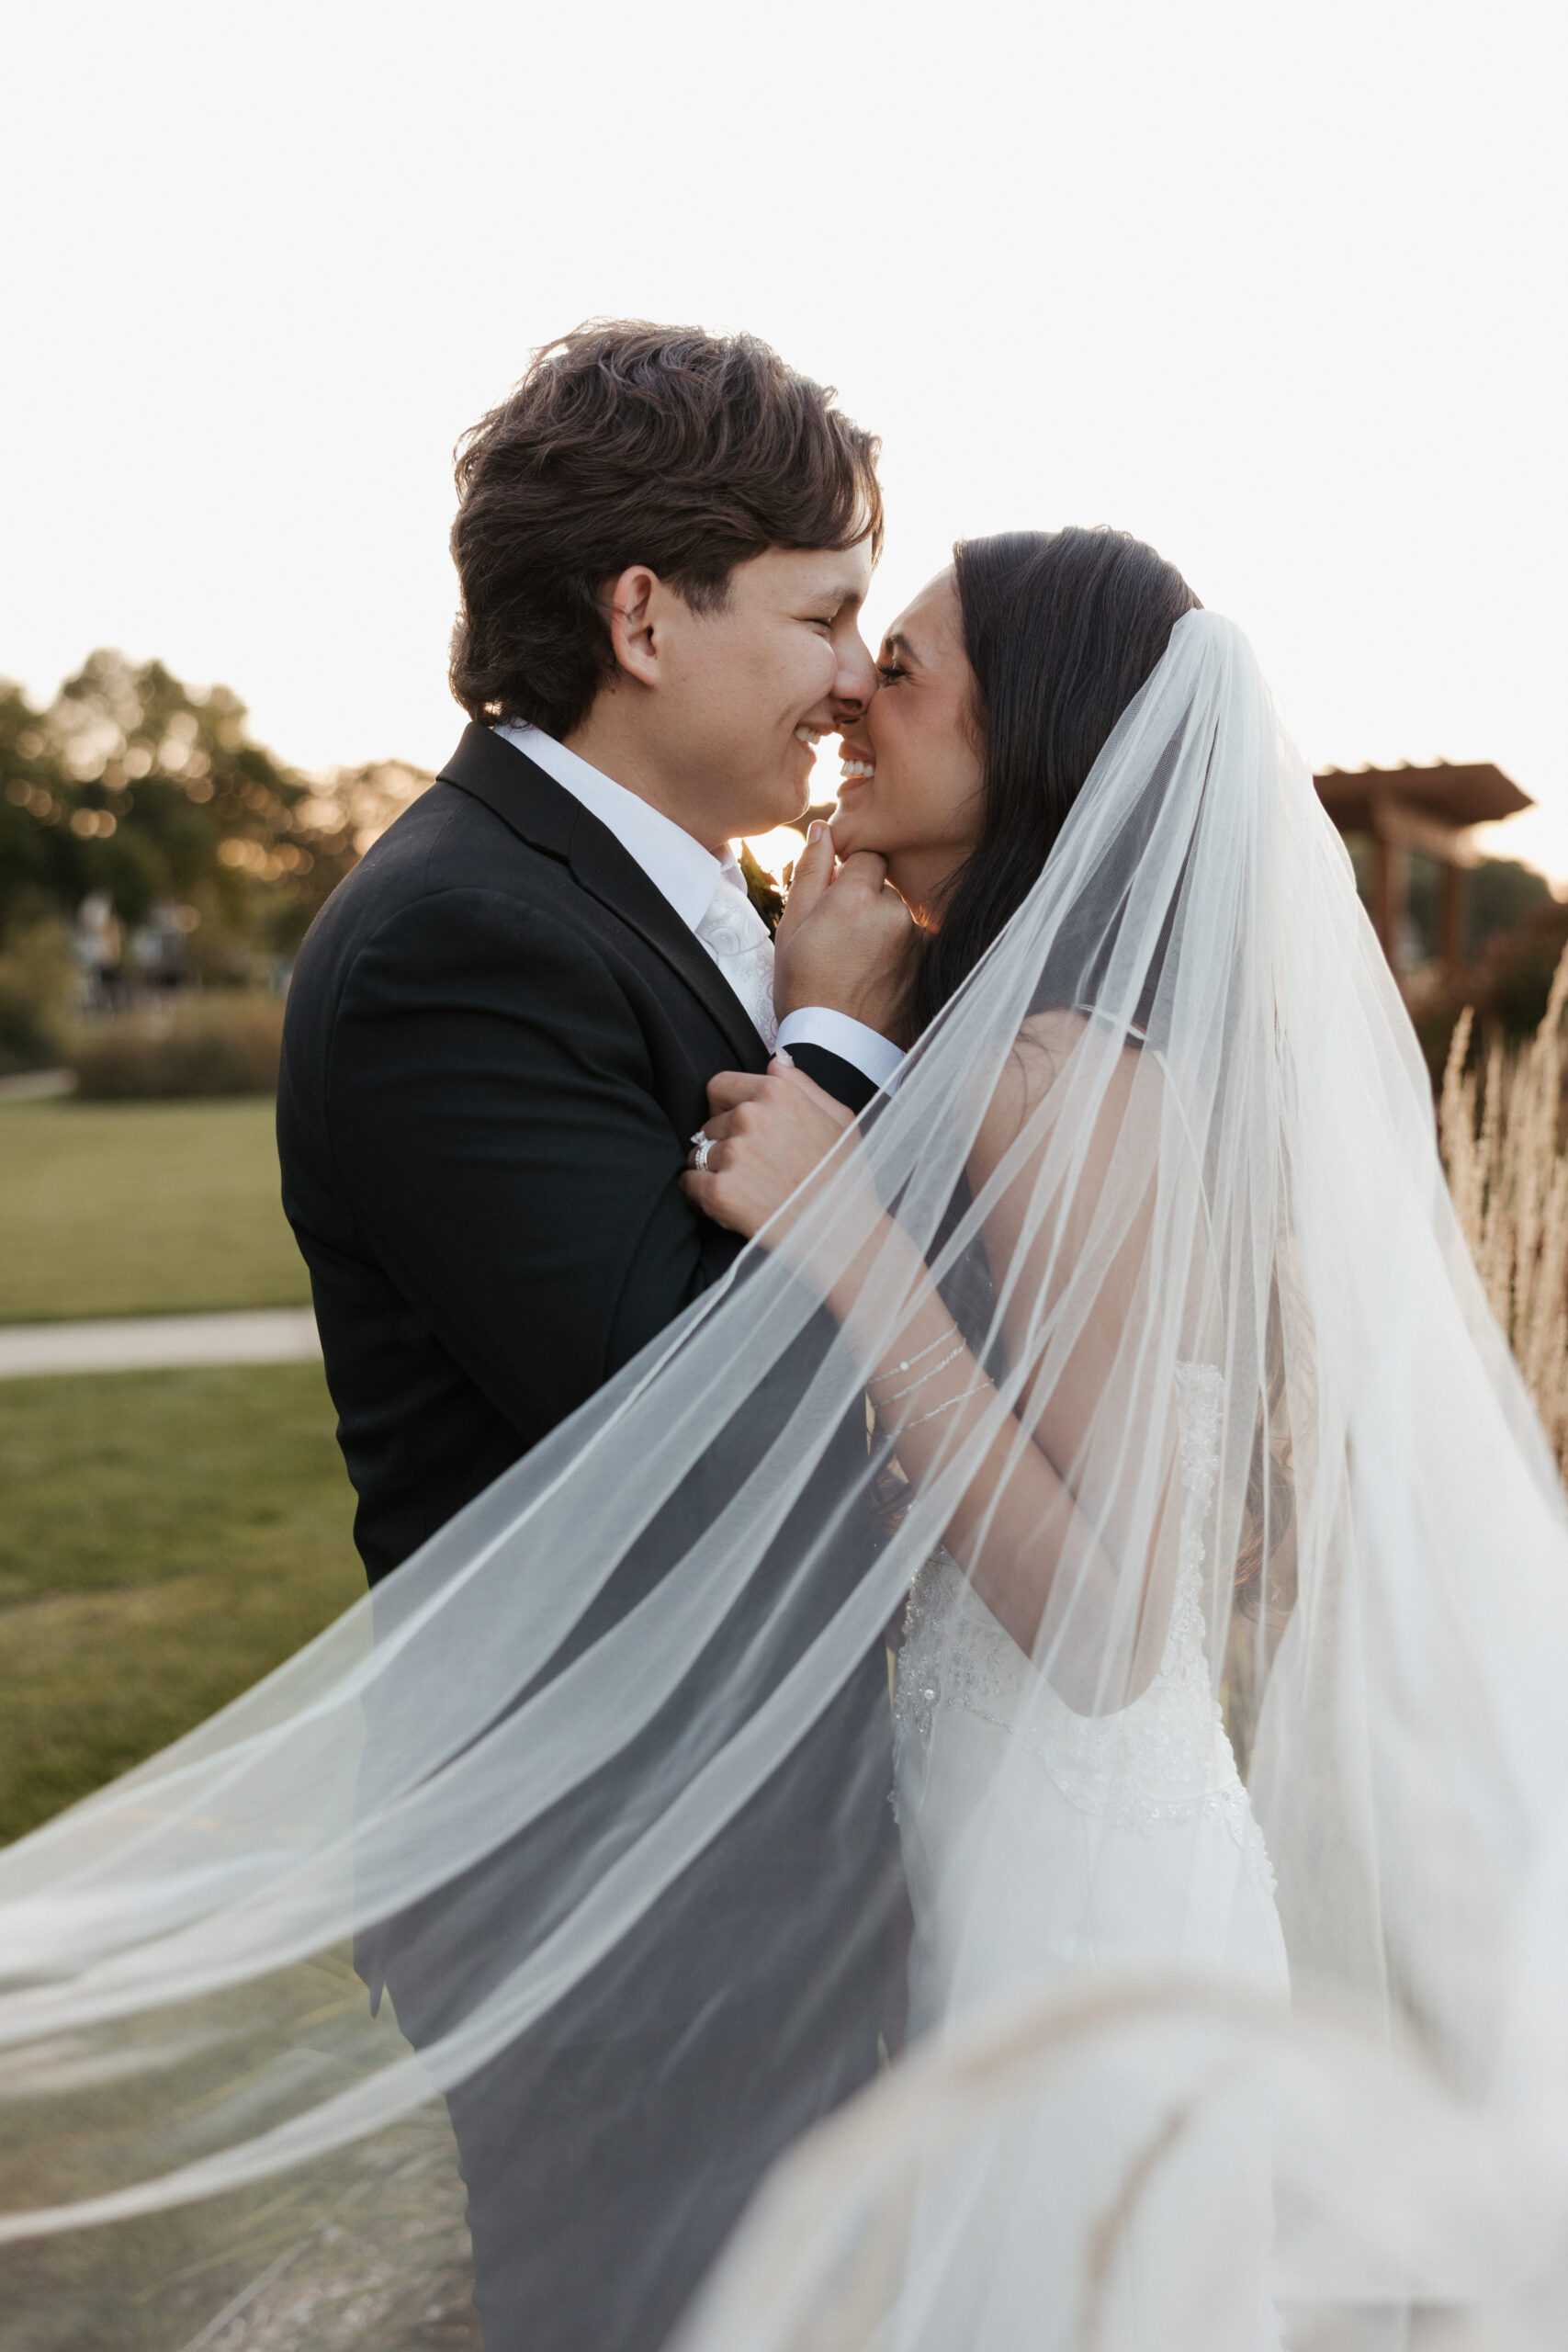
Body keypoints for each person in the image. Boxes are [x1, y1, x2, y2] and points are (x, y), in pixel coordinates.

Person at [11, 525, 1568, 2352]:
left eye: (895, 664)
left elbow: (1111, 1617)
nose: (849, 694)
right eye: (839, 635)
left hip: (1066, 1883)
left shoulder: (1062, 1084)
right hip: (960, 1843)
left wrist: (846, 1239)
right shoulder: (1001, 1043)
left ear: (1033, 734)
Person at [274, 322, 918, 2352]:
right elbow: (684, 1421)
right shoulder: (457, 939)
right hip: (617, 1886)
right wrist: (834, 1053)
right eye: (824, 611)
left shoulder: (675, 899)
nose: (850, 674)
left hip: (759, 1856)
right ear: (644, 613)